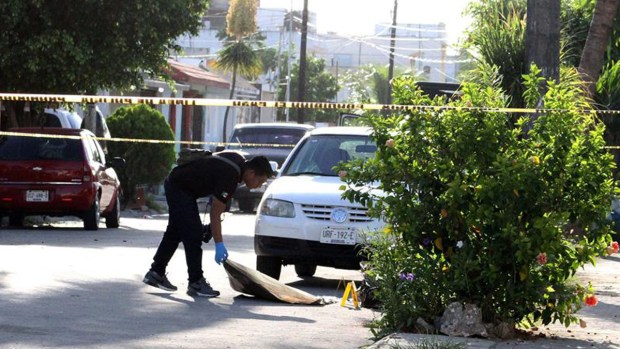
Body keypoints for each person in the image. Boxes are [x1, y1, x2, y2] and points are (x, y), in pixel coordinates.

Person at [143, 151, 273, 297]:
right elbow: (215, 212)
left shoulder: (237, 159)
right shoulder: (231, 175)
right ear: (251, 173)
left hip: (178, 183)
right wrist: (219, 243)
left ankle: (156, 272)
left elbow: (214, 178)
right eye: (260, 181)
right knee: (193, 235)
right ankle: (196, 282)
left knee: (175, 231)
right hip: (180, 188)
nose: (259, 186)